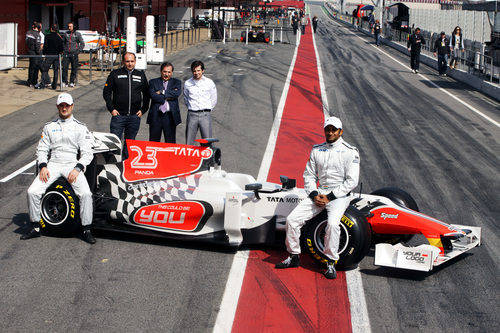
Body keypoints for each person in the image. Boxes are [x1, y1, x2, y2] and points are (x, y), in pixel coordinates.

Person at [275, 117, 360, 279]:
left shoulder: (351, 151)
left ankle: (330, 262)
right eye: (328, 129)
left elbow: (352, 182)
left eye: (334, 129)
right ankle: (293, 256)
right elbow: (308, 176)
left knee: (333, 225)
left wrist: (329, 197)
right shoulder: (316, 150)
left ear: (340, 132)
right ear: (324, 130)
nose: (330, 132)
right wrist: (314, 195)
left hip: (340, 196)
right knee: (292, 220)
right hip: (319, 194)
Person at [21, 93, 96, 244]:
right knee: (32, 191)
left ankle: (86, 229)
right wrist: (43, 166)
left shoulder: (80, 127)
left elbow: (88, 153)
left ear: (72, 106)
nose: (64, 108)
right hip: (53, 164)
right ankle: (35, 227)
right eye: (61, 106)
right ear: (57, 107)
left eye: (67, 106)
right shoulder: (49, 127)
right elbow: (42, 149)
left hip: (71, 164)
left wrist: (78, 168)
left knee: (86, 194)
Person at [103, 52, 150, 159]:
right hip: (118, 115)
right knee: (114, 143)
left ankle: (125, 165)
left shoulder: (140, 75)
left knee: (129, 144)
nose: (130, 64)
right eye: (127, 61)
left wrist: (143, 110)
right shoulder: (115, 74)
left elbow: (147, 94)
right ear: (123, 62)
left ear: (135, 62)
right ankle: (112, 164)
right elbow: (106, 92)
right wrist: (112, 109)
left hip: (134, 116)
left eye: (132, 61)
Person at [183, 60, 217, 146]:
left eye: (198, 70)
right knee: (189, 141)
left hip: (205, 114)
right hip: (192, 114)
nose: (196, 73)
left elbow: (214, 98)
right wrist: (192, 108)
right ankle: (189, 159)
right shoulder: (187, 83)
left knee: (207, 140)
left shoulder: (209, 83)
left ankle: (207, 159)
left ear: (203, 70)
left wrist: (207, 109)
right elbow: (186, 99)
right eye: (194, 71)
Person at [147, 62, 182, 143]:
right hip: (156, 116)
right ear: (161, 71)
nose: (166, 74)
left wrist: (162, 92)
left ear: (172, 72)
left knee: (170, 143)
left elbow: (176, 94)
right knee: (154, 143)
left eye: (169, 72)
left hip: (170, 116)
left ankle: (170, 156)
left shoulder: (177, 82)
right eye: (165, 72)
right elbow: (153, 96)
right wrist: (168, 96)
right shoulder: (153, 82)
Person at [40, 24, 64, 89]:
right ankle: (54, 85)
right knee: (56, 70)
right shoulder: (59, 37)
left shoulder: (47, 36)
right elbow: (61, 48)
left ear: (51, 29)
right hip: (57, 55)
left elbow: (45, 46)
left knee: (45, 69)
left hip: (49, 55)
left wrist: (44, 53)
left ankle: (43, 83)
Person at [62, 22, 84, 88]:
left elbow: (82, 43)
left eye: (70, 26)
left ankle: (72, 81)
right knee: (64, 68)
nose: (69, 28)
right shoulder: (66, 34)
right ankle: (64, 81)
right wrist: (63, 50)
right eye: (68, 26)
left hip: (74, 53)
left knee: (74, 68)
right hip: (66, 53)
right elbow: (63, 42)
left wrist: (78, 51)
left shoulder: (78, 34)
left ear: (74, 26)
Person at [26, 21, 42, 88]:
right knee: (35, 68)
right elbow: (37, 46)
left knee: (31, 67)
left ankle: (29, 81)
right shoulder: (37, 35)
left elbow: (27, 42)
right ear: (38, 28)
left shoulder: (28, 32)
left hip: (30, 51)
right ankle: (34, 81)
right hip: (35, 53)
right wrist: (39, 52)